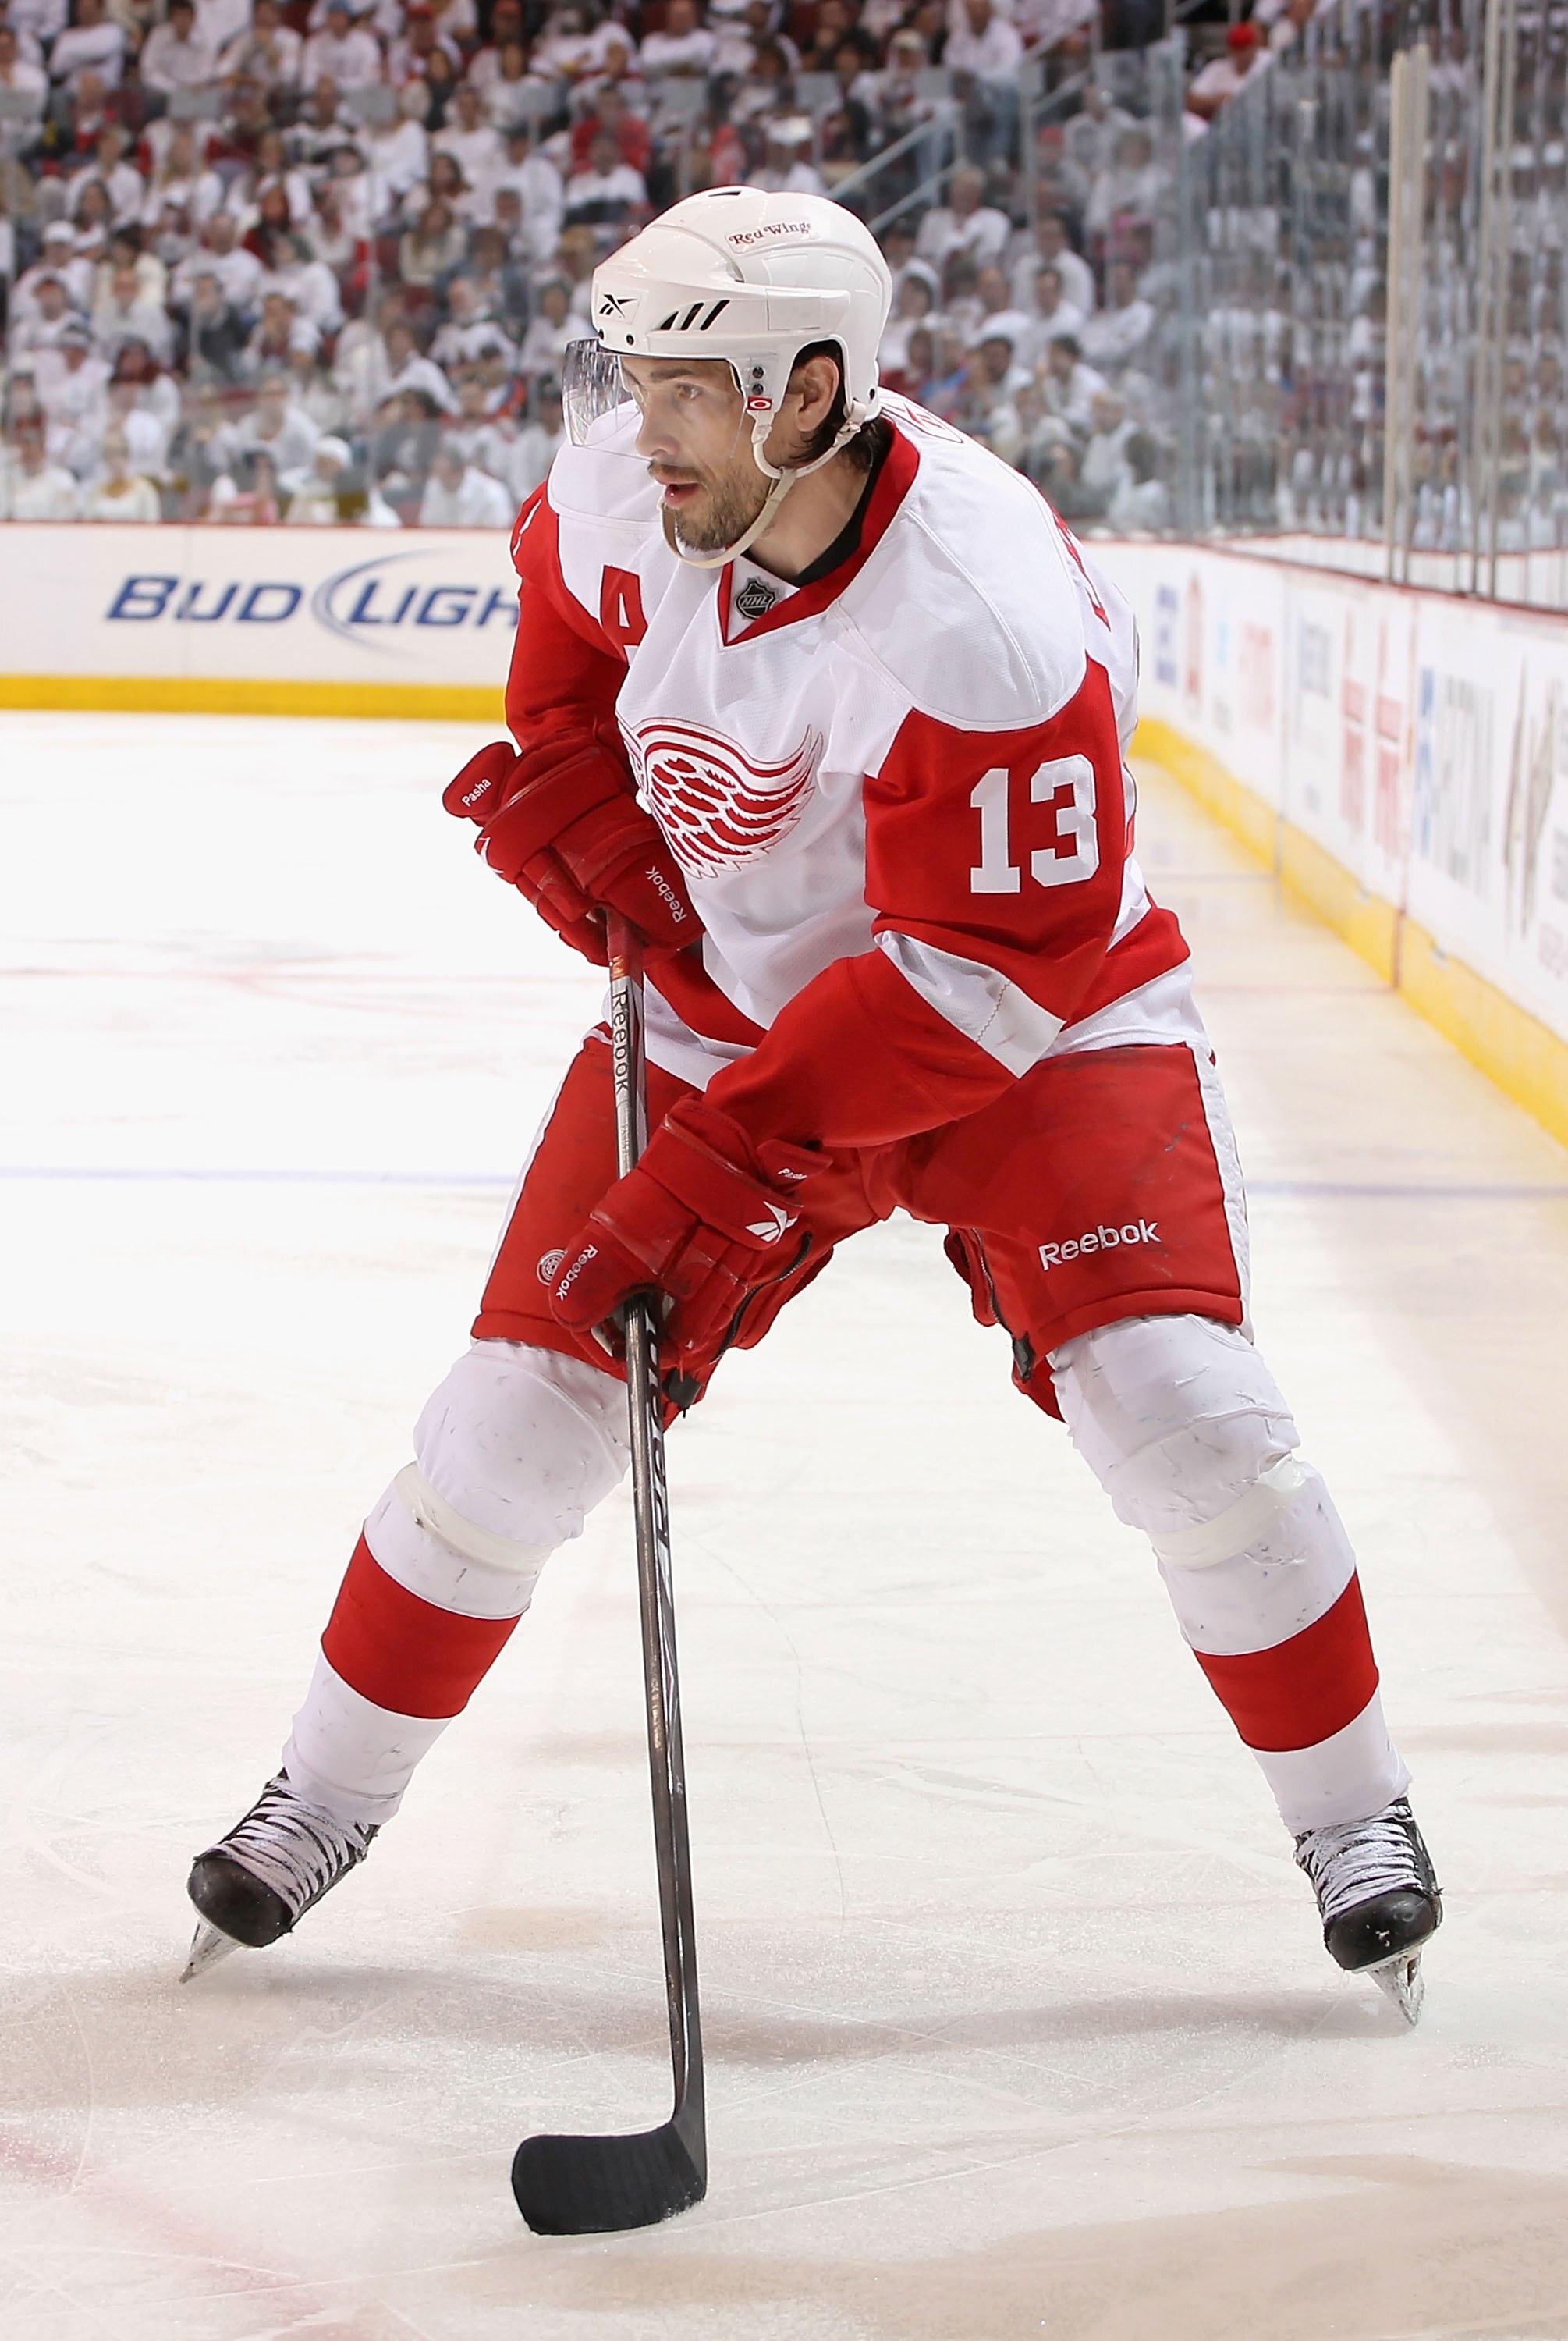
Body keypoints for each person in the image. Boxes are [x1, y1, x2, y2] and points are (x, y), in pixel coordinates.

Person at [185, 189, 1442, 2023]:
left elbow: (985, 973)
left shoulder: (982, 617)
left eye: (686, 388)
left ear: (810, 392)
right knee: (508, 1429)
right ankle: (319, 1801)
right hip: (732, 1014)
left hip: (1030, 1028)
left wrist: (725, 1171)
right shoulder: (633, 492)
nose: (642, 426)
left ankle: (1357, 1820)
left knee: (1188, 1419)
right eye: (633, 380)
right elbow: (575, 649)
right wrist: (580, 806)